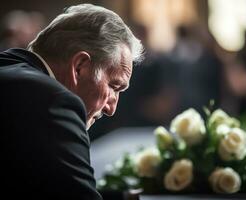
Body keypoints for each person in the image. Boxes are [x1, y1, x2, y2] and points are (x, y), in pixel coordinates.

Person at [0, 4, 143, 200]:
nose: (111, 108)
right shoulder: (55, 103)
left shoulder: (9, 66)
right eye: (113, 86)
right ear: (80, 67)